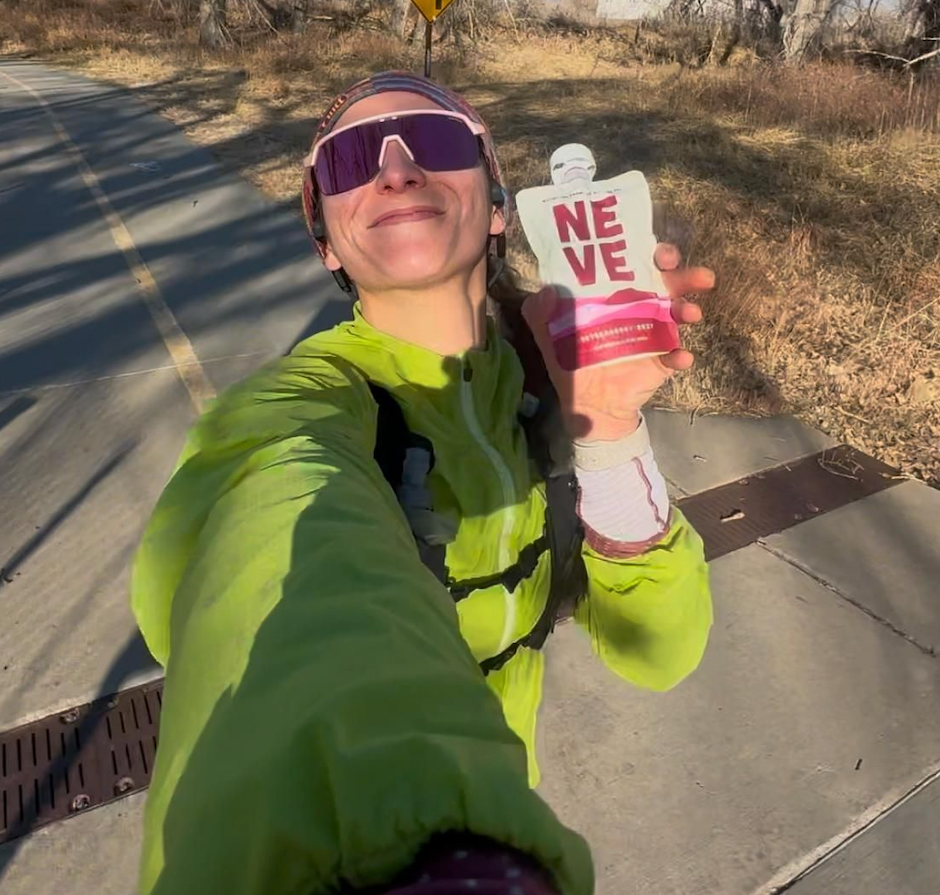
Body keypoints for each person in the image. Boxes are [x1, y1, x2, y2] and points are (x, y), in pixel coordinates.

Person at [130, 71, 715, 895]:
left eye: (434, 143)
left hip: (499, 790)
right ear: (327, 242)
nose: (397, 170)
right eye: (351, 160)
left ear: (501, 205)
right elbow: (266, 533)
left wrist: (609, 431)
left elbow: (660, 651)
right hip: (445, 829)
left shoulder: (540, 384)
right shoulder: (310, 402)